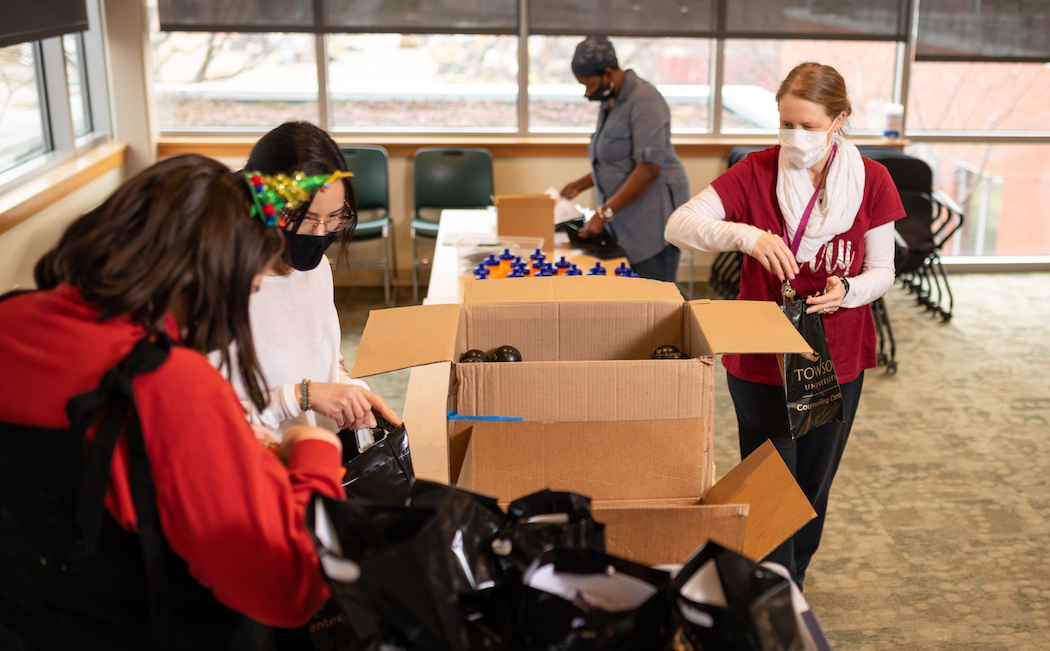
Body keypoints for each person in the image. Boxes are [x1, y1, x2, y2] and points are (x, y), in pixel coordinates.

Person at [0, 154, 347, 649]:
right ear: (207, 274)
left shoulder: (10, 315)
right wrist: (314, 455)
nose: (251, 292)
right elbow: (289, 590)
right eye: (247, 282)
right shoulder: (168, 382)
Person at [665, 62, 906, 588]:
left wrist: (849, 292)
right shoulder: (756, 172)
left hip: (833, 355)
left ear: (839, 120)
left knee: (812, 484)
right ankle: (772, 585)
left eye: (810, 126)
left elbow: (882, 271)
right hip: (760, 355)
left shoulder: (871, 180)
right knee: (771, 478)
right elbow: (678, 224)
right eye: (786, 123)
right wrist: (747, 237)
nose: (796, 137)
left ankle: (792, 578)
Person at [215, 121, 399, 449]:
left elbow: (329, 359)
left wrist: (351, 393)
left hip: (317, 459)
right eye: (307, 219)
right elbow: (203, 423)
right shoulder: (219, 287)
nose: (320, 234)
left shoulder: (318, 269)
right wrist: (300, 396)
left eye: (334, 218)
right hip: (260, 472)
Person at [560, 36, 690, 283]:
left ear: (608, 72)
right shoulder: (610, 99)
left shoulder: (645, 99)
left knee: (655, 297)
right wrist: (580, 184)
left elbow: (649, 169)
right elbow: (614, 161)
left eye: (589, 84)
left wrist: (604, 213)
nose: (588, 92)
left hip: (651, 218)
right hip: (622, 218)